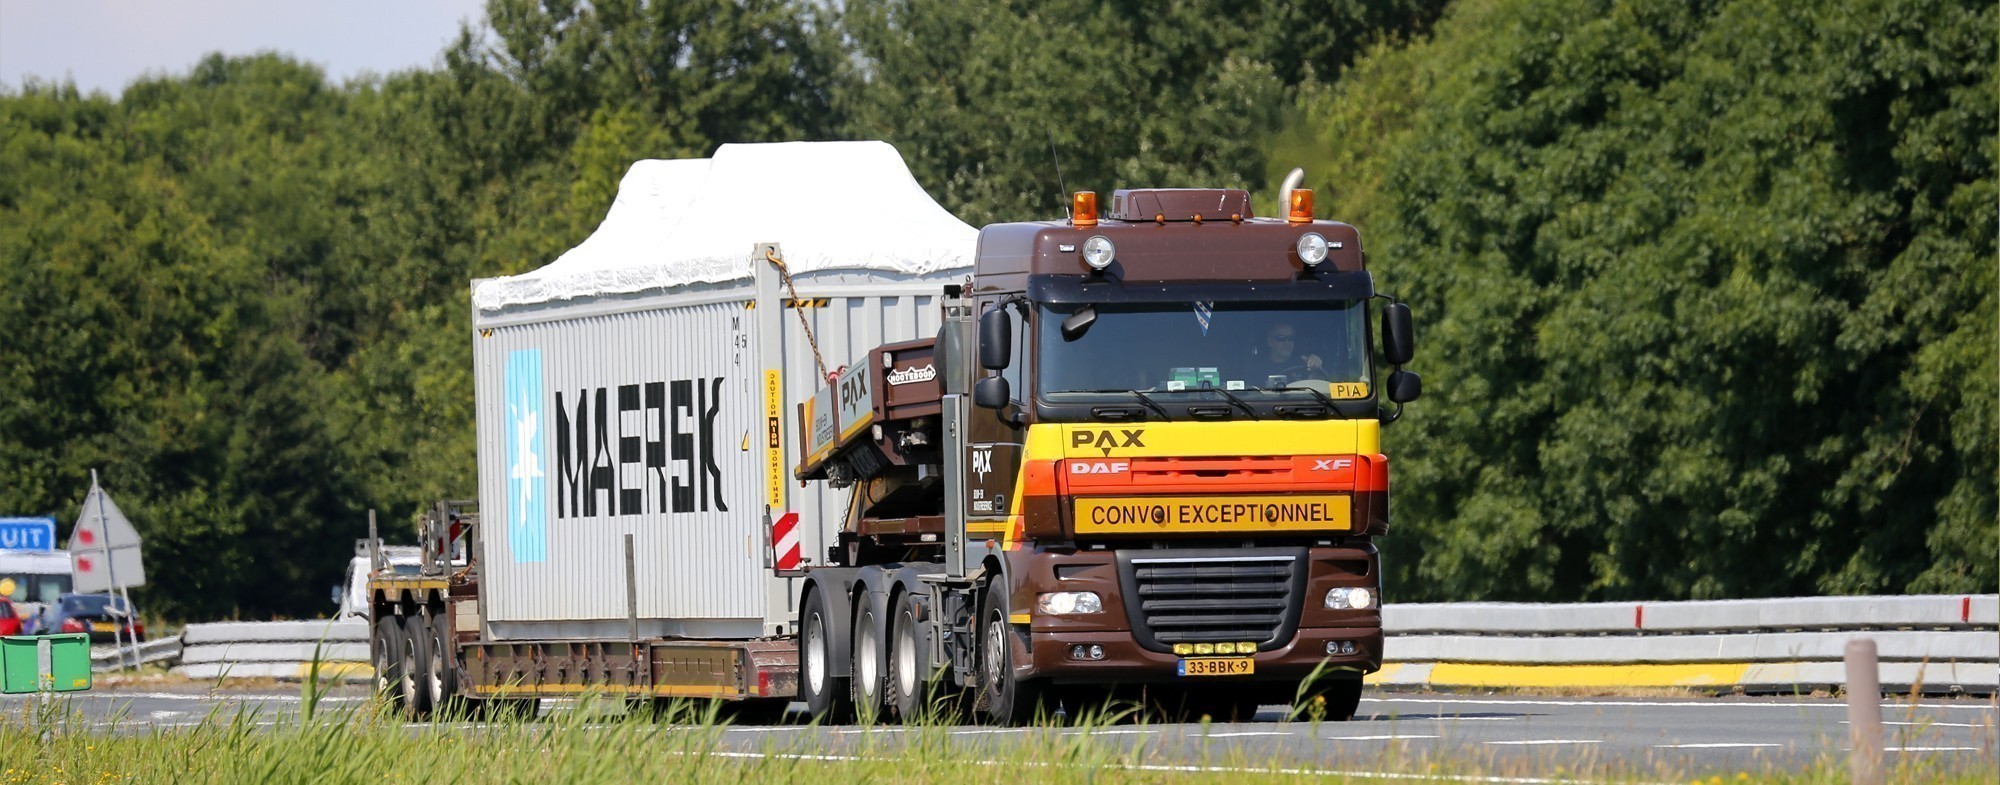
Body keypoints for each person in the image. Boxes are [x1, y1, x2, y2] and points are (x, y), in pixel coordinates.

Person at [1255, 321, 1326, 384]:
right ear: (1270, 341)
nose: (1287, 342)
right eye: (1281, 338)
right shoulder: (1256, 368)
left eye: (1291, 338)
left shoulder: (1304, 365)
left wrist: (1316, 366)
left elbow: (1320, 388)